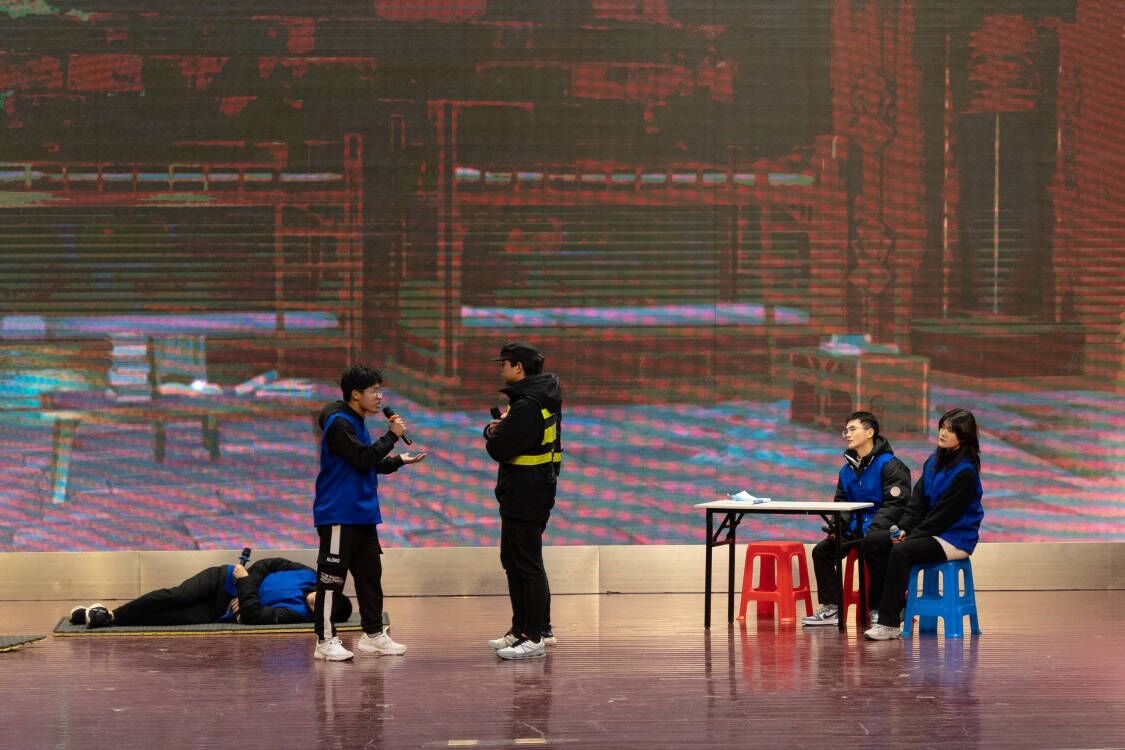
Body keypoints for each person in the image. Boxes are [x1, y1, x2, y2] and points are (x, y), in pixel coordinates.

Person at [312, 364, 426, 661]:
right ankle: (325, 640)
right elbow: (363, 459)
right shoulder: (339, 422)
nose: (380, 397)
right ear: (355, 394)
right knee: (331, 581)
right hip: (339, 513)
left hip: (363, 514)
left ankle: (373, 635)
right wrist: (392, 436)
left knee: (369, 577)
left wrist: (399, 460)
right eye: (374, 391)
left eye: (380, 390)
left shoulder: (356, 420)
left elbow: (368, 464)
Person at [862, 408, 985, 640]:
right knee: (873, 542)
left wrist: (910, 537)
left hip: (954, 538)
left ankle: (889, 624)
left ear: (963, 437)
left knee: (902, 551)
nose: (943, 433)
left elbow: (943, 517)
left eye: (950, 430)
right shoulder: (933, 461)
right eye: (942, 427)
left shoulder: (966, 473)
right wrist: (904, 528)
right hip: (929, 531)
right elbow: (917, 503)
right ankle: (884, 609)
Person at [484, 342, 562, 660]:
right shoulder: (539, 397)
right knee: (515, 560)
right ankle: (523, 630)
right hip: (530, 490)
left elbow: (499, 448)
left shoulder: (528, 403)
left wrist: (493, 434)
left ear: (518, 367)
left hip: (525, 493)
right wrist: (501, 429)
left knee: (525, 564)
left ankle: (534, 636)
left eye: (503, 363)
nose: (500, 369)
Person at [803, 411, 912, 627]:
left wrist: (873, 529)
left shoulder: (891, 465)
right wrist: (837, 527)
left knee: (873, 545)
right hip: (855, 530)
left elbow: (896, 505)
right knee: (822, 551)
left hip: (882, 530)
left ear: (870, 432)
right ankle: (833, 608)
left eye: (853, 429)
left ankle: (879, 609)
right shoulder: (846, 470)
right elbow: (842, 504)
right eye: (846, 431)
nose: (847, 435)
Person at [69, 557, 352, 628]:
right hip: (221, 579)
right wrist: (246, 586)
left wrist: (245, 590)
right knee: (176, 596)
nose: (314, 603)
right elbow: (268, 564)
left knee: (173, 618)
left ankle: (105, 618)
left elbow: (254, 616)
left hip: (221, 610)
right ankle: (112, 614)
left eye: (317, 610)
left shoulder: (297, 614)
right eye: (321, 600)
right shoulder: (308, 575)